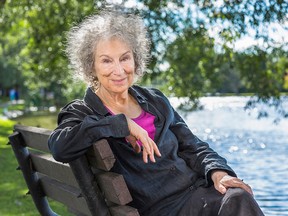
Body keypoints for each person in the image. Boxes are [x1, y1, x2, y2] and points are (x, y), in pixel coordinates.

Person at [48, 10, 264, 216]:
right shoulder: (82, 111)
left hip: (197, 195)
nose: (119, 70)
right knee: (239, 202)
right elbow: (59, 146)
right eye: (106, 60)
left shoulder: (154, 100)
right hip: (163, 208)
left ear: (136, 59)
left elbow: (193, 146)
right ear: (91, 66)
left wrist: (218, 172)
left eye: (125, 58)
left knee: (237, 196)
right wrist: (121, 124)